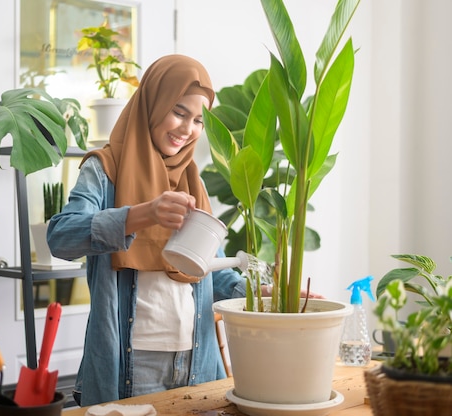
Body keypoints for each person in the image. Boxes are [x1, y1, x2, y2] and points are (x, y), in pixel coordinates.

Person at [46, 54, 314, 407]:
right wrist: (142, 213)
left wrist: (257, 293)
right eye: (179, 112)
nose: (187, 129)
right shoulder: (104, 169)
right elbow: (61, 237)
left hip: (196, 360)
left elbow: (207, 273)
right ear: (152, 104)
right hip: (131, 364)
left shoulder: (192, 181)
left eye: (198, 120)